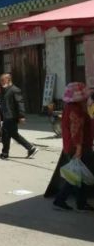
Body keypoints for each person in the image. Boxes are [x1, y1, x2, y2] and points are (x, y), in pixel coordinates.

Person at [53, 82, 94, 211]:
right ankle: (60, 199)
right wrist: (79, 148)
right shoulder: (76, 110)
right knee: (76, 176)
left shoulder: (69, 107)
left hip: (73, 145)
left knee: (79, 175)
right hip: (78, 146)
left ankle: (81, 204)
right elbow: (76, 130)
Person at [0, 73, 38, 159]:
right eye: (0, 80)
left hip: (12, 116)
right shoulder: (5, 90)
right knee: (5, 135)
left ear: (8, 80)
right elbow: (3, 104)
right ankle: (5, 153)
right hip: (6, 116)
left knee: (13, 134)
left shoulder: (15, 90)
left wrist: (21, 116)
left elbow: (20, 103)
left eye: (2, 80)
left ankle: (31, 148)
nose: (1, 82)